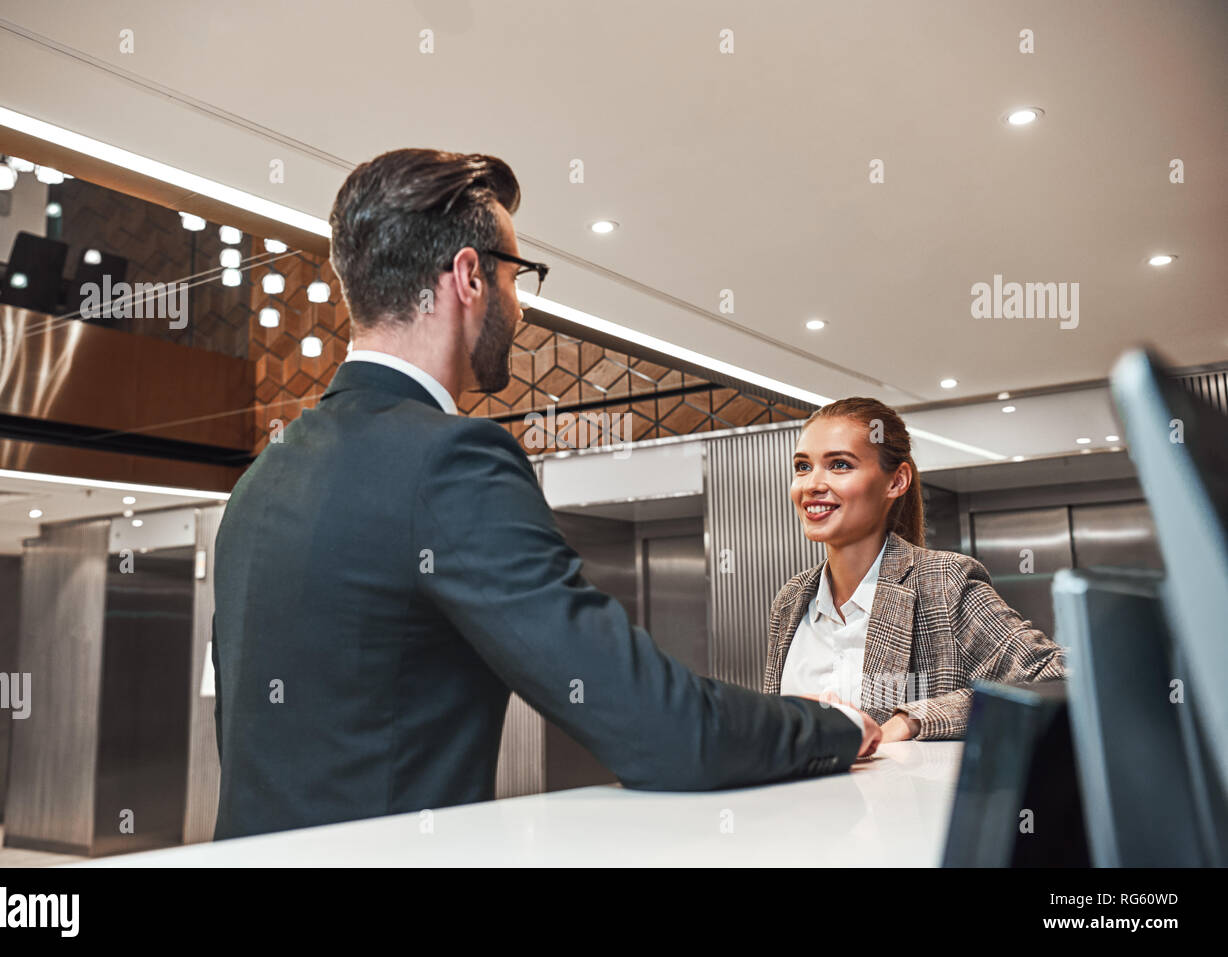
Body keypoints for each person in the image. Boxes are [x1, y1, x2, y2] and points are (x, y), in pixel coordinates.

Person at [210, 148, 880, 839]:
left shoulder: (260, 480)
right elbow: (662, 728)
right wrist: (829, 725)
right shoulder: (451, 459)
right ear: (470, 276)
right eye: (516, 277)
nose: (520, 307)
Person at [764, 397, 1066, 739]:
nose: (812, 484)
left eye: (840, 465)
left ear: (896, 482)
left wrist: (912, 720)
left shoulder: (944, 583)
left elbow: (1060, 678)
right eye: (803, 467)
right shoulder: (791, 601)